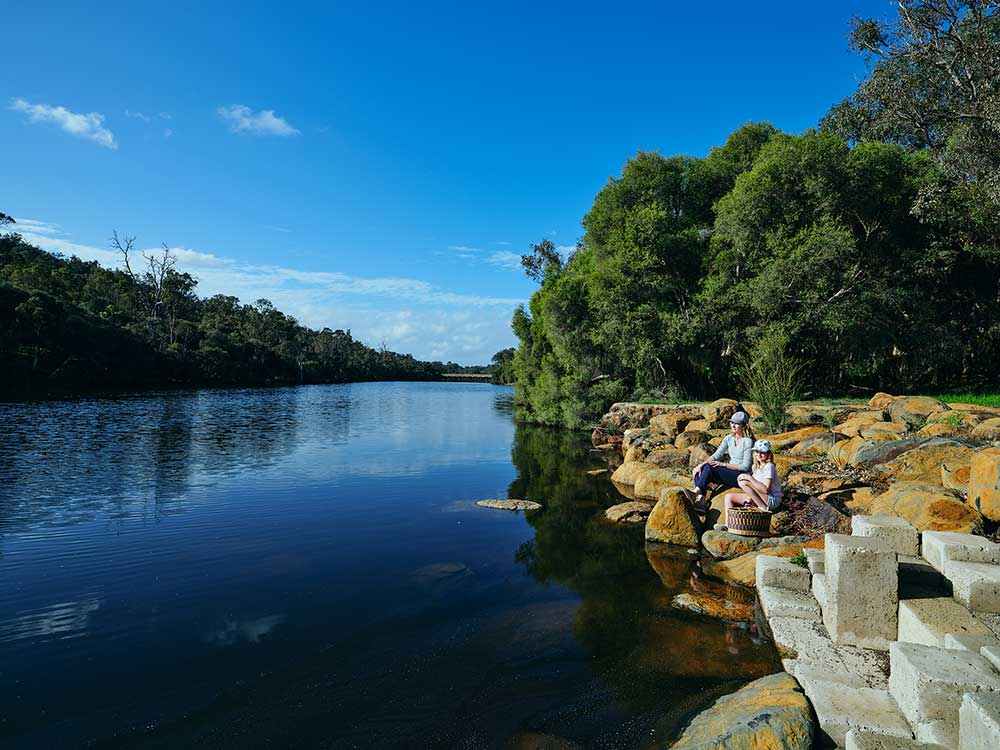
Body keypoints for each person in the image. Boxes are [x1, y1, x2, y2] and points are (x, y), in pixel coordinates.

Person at [690, 411, 753, 511]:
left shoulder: (748, 441)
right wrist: (699, 466)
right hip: (729, 473)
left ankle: (696, 493)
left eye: (737, 423)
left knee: (710, 467)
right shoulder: (728, 438)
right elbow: (716, 455)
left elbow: (745, 466)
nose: (733, 425)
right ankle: (702, 499)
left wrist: (723, 465)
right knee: (701, 470)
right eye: (732, 422)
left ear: (744, 426)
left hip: (741, 476)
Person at [724, 438, 783, 515]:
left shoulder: (769, 466)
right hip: (761, 496)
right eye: (757, 451)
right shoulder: (755, 467)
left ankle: (762, 507)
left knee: (744, 482)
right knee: (729, 497)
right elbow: (753, 488)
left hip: (772, 499)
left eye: (762, 452)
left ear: (768, 453)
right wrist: (749, 499)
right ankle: (728, 524)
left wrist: (749, 477)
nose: (759, 454)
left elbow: (765, 490)